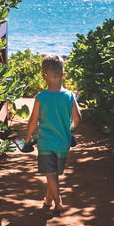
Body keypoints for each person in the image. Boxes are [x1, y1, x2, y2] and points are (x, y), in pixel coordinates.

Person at [25, 54, 82, 213]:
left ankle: (59, 202)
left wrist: (27, 138)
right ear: (63, 75)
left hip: (45, 142)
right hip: (63, 142)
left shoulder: (41, 97)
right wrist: (70, 129)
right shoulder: (70, 96)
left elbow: (32, 121)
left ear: (44, 77)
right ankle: (48, 199)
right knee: (54, 174)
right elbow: (78, 118)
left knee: (50, 174)